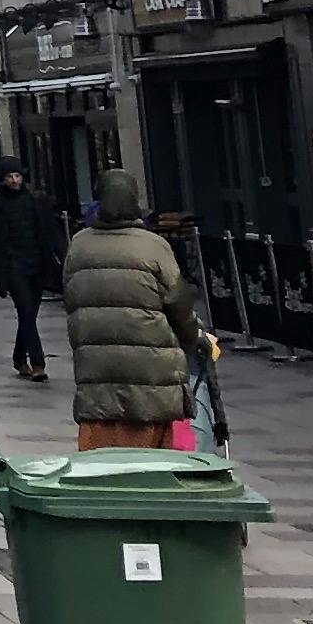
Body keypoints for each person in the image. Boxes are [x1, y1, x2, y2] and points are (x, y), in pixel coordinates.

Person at [63, 166, 213, 449]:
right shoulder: (153, 246)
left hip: (98, 372)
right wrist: (196, 338)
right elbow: (179, 305)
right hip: (152, 373)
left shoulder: (79, 244)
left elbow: (71, 297)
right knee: (153, 454)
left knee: (103, 454)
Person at [0, 163, 65, 381]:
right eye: (9, 176)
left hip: (37, 262)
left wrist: (62, 256)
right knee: (26, 310)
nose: (14, 180)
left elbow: (50, 230)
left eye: (17, 175)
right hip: (12, 264)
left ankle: (19, 357)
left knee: (29, 314)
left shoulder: (36, 200)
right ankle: (38, 362)